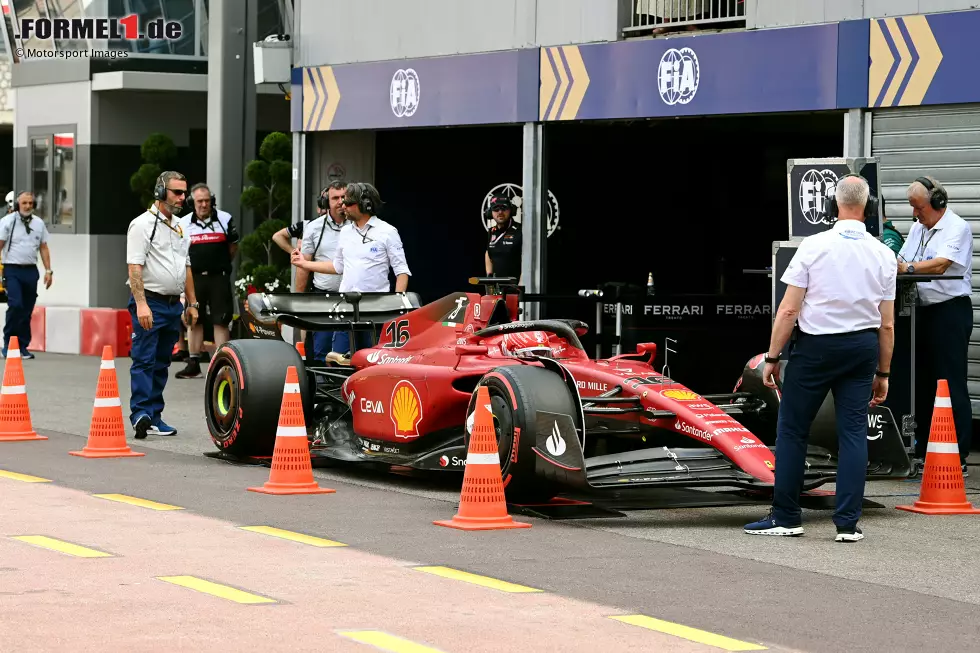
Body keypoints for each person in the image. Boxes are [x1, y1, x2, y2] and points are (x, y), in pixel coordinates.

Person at [745, 175, 896, 543]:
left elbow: (788, 311)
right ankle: (847, 524)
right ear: (869, 208)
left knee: (793, 429)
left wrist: (773, 356)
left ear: (832, 206)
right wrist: (884, 372)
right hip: (861, 349)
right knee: (854, 433)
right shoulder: (884, 253)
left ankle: (786, 516)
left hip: (815, 349)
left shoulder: (812, 246)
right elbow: (888, 324)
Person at [897, 176, 974, 474]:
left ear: (938, 203)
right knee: (923, 382)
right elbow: (903, 258)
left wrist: (909, 268)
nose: (915, 214)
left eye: (919, 208)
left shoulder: (958, 228)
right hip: (920, 311)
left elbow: (941, 264)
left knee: (950, 382)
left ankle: (960, 454)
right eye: (913, 208)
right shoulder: (918, 228)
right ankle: (925, 447)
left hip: (950, 312)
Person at [291, 182, 411, 364]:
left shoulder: (388, 232)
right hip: (346, 309)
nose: (343, 206)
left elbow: (401, 271)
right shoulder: (346, 232)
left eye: (348, 203)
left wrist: (396, 306)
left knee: (372, 363)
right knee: (339, 362)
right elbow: (338, 267)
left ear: (365, 205)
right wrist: (305, 264)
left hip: (376, 312)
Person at [126, 171, 199, 439]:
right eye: (176, 192)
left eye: (184, 192)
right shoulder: (141, 225)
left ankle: (154, 415)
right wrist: (141, 304)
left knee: (161, 362)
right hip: (151, 302)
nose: (182, 198)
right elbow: (135, 266)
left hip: (172, 305)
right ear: (160, 192)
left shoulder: (181, 226)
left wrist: (192, 303)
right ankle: (140, 414)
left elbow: (186, 266)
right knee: (144, 360)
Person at [175, 183, 239, 379]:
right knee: (194, 319)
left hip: (218, 277)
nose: (204, 205)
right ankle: (193, 362)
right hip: (193, 278)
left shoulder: (225, 218)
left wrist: (220, 265)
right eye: (199, 201)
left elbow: (233, 247)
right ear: (191, 203)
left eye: (207, 201)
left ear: (212, 201)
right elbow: (178, 251)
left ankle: (222, 363)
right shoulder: (183, 223)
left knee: (221, 319)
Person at [298, 181, 347, 361]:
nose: (340, 201)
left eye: (344, 197)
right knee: (320, 349)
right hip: (322, 296)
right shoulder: (313, 228)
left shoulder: (358, 226)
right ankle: (320, 386)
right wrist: (300, 301)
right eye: (335, 198)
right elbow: (303, 265)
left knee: (348, 351)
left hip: (352, 297)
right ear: (327, 202)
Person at [0, 191, 53, 359]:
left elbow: (43, 247)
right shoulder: (8, 222)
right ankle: (8, 342)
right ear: (17, 205)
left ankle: (22, 346)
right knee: (16, 304)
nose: (28, 206)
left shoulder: (38, 223)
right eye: (24, 203)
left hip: (30, 270)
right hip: (12, 268)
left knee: (27, 308)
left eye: (30, 203)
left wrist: (48, 270)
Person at [273, 189, 329, 292]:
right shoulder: (308, 225)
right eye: (323, 204)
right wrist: (295, 253)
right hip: (311, 281)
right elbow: (277, 236)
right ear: (318, 208)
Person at [484, 193, 522, 283]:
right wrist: (489, 277)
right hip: (496, 288)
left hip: (516, 287)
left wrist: (520, 287)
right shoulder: (491, 232)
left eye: (504, 208)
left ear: (511, 210)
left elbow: (527, 262)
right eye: (496, 209)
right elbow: (488, 253)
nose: (500, 212)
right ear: (490, 212)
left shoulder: (520, 231)